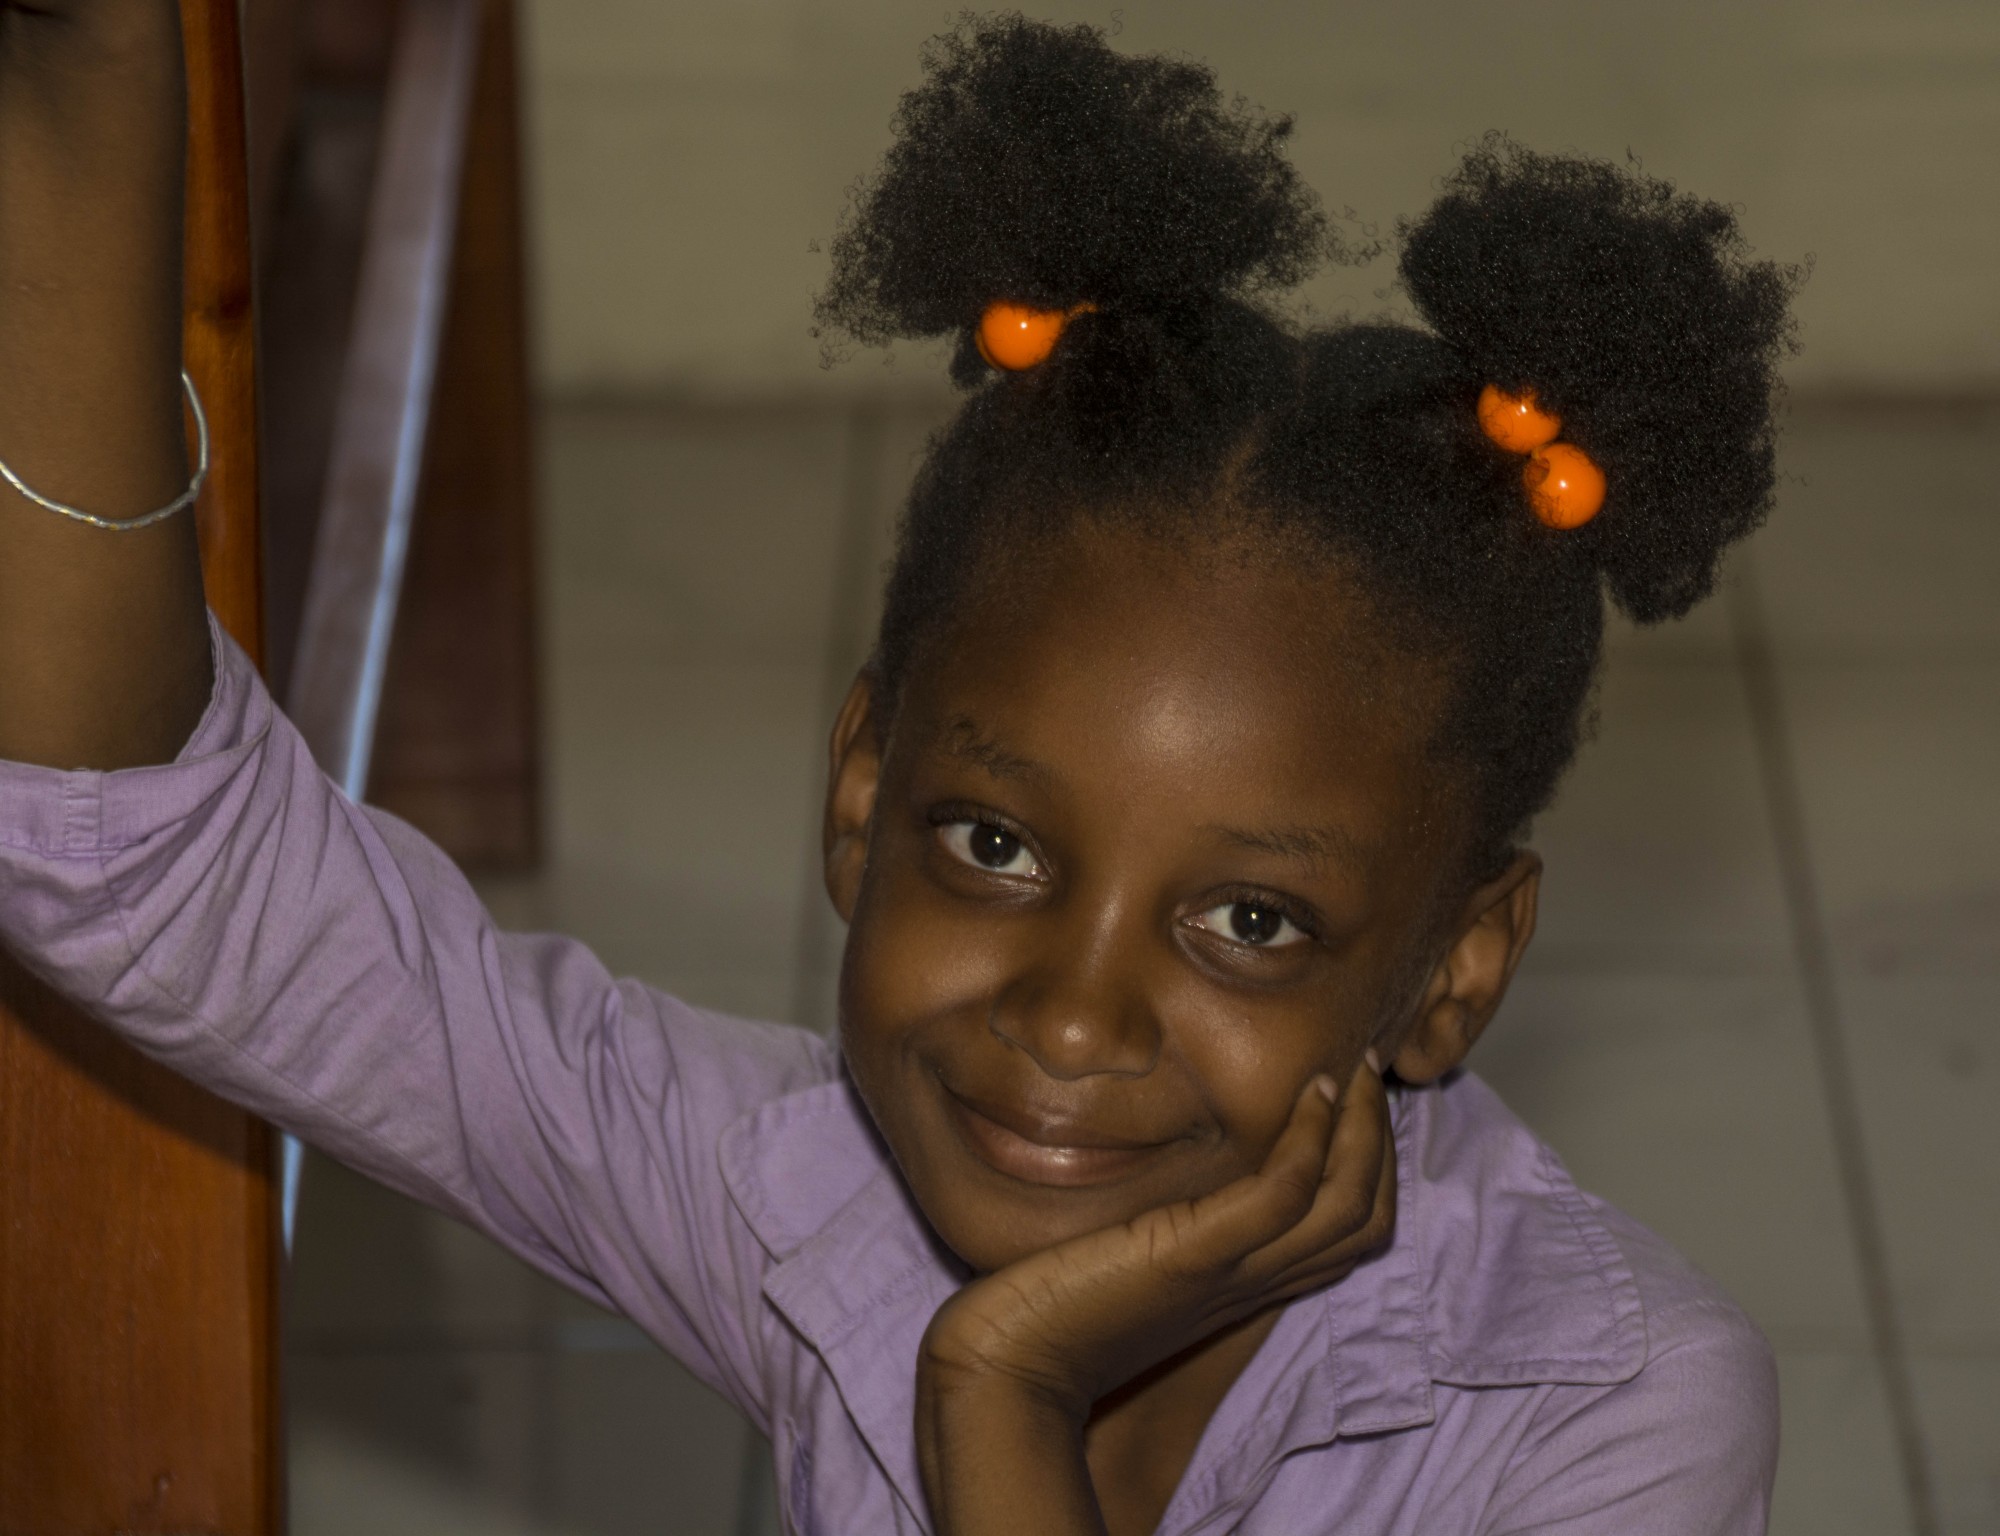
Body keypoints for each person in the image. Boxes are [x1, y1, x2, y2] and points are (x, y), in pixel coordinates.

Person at [0, 8, 1801, 1533]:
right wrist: (94, 61)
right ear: (863, 797)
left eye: (1252, 921)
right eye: (997, 845)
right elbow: (162, 865)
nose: (1072, 1019)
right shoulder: (810, 1190)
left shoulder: (1606, 1416)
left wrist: (1003, 1394)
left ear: (1456, 968)